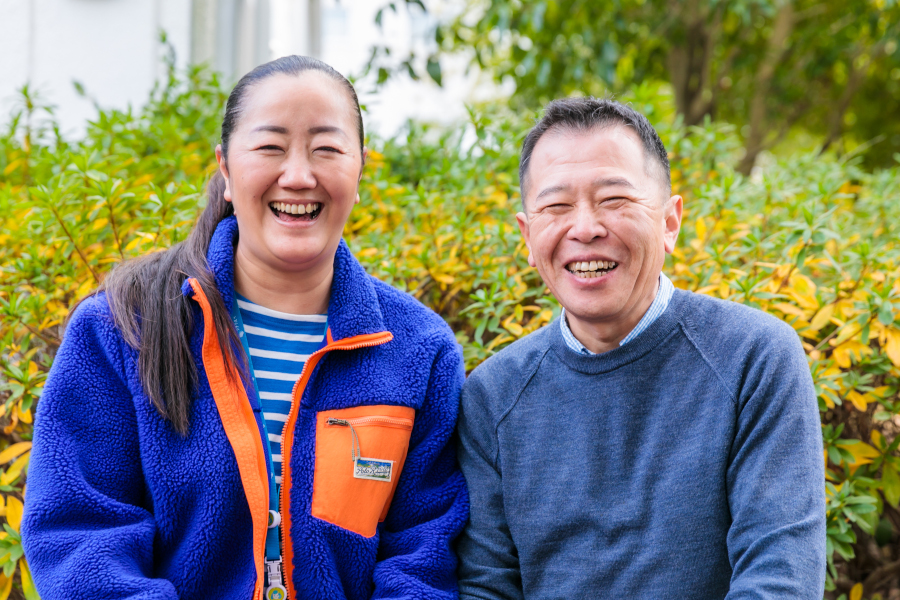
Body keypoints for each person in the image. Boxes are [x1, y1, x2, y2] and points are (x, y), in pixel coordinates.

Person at [22, 55, 468, 600]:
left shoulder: (419, 351)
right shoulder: (122, 328)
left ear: (359, 169)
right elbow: (80, 535)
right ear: (226, 170)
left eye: (326, 149)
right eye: (270, 147)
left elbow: (424, 553)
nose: (299, 175)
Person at [455, 97, 825, 598]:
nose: (584, 228)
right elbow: (486, 587)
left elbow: (781, 577)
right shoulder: (492, 396)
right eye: (556, 206)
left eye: (614, 200)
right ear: (527, 234)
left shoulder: (754, 358)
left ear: (669, 222)